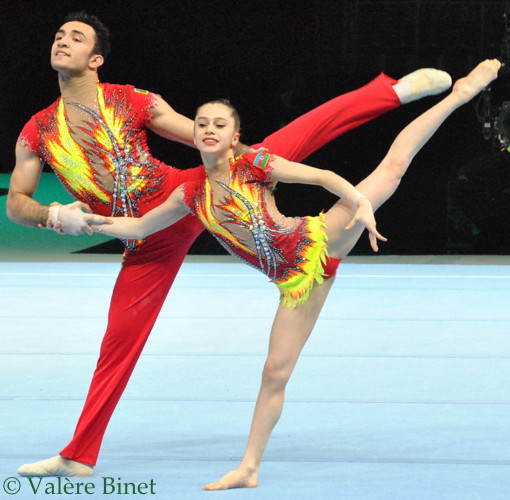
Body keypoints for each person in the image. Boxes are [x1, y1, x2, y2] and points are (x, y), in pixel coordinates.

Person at [7, 11, 452, 477]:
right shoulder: (37, 130)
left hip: (183, 194)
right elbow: (16, 204)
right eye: (59, 35)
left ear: (96, 58)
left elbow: (204, 137)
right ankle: (78, 456)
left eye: (76, 37)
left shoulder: (128, 100)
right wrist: (53, 216)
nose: (63, 41)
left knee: (275, 148)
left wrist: (251, 161)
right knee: (118, 341)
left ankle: (393, 93)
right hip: (142, 235)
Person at [86, 59, 500, 490]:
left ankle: (460, 94)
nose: (209, 129)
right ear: (193, 134)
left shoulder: (254, 164)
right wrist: (85, 222)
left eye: (220, 124)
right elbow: (138, 227)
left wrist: (360, 204)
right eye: (202, 123)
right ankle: (248, 469)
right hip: (295, 286)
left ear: (234, 137)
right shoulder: (188, 192)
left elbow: (322, 176)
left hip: (319, 239)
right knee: (275, 373)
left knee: (394, 166)